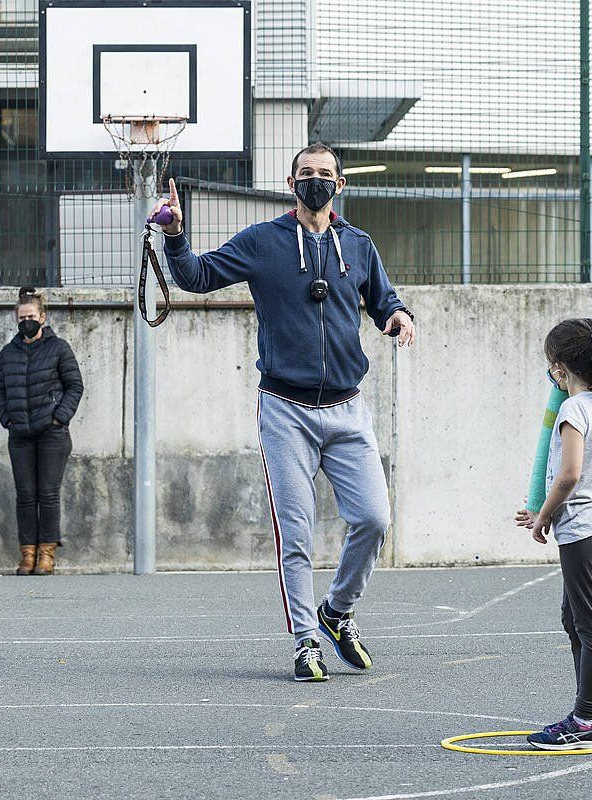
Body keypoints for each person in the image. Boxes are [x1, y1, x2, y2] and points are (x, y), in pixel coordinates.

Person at [153, 142, 416, 681]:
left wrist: (397, 315)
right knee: (294, 532)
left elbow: (383, 298)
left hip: (348, 410)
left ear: (339, 185)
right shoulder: (263, 242)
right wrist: (175, 236)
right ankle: (305, 642)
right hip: (286, 411)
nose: (315, 181)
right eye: (306, 173)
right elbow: (196, 277)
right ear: (290, 181)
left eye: (325, 174)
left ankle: (337, 612)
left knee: (373, 518)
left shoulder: (359, 245)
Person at [515, 318, 592, 750]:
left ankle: (586, 719)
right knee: (572, 619)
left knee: (589, 627)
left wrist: (543, 517)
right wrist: (543, 510)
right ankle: (589, 712)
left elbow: (571, 474)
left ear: (559, 370)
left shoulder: (573, 410)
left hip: (583, 530)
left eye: (549, 367)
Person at [0, 287, 84, 575]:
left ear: (43, 317)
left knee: (47, 494)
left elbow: (75, 386)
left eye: (31, 316)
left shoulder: (59, 349)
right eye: (22, 317)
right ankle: (27, 554)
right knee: (25, 495)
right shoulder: (8, 353)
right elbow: (0, 390)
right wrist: (6, 418)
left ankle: (47, 554)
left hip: (52, 434)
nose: (26, 321)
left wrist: (60, 418)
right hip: (19, 434)